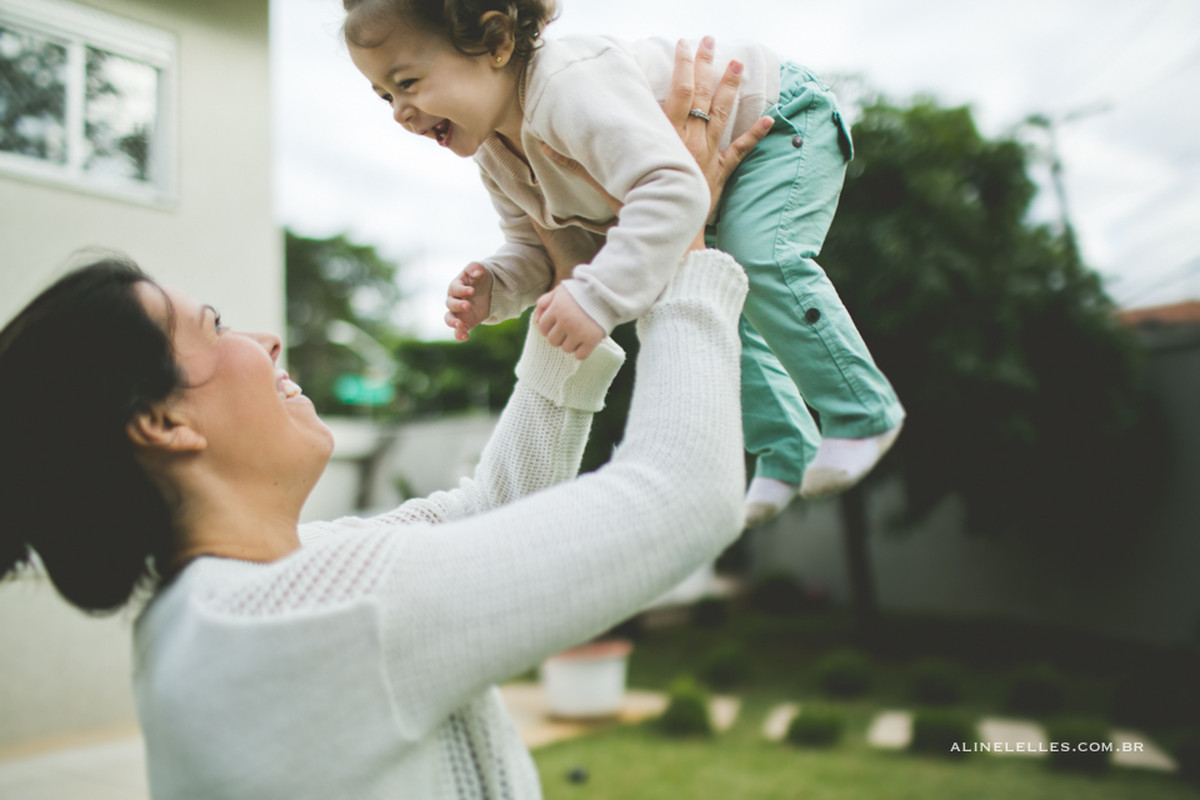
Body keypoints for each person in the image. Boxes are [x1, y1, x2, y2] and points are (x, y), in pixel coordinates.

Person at [0, 45, 762, 800]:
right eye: (214, 324)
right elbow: (683, 495)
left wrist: (571, 284)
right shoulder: (305, 620)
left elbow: (491, 513)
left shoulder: (244, 600)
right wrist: (682, 248)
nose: (263, 340)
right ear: (164, 422)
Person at [342, 1, 906, 527]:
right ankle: (784, 451)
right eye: (383, 97)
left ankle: (862, 412)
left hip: (779, 120)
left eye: (407, 83)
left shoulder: (566, 85)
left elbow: (671, 186)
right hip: (702, 176)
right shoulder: (496, 152)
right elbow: (538, 247)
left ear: (494, 40)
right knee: (713, 295)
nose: (399, 112)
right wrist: (498, 286)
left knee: (758, 259)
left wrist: (596, 296)